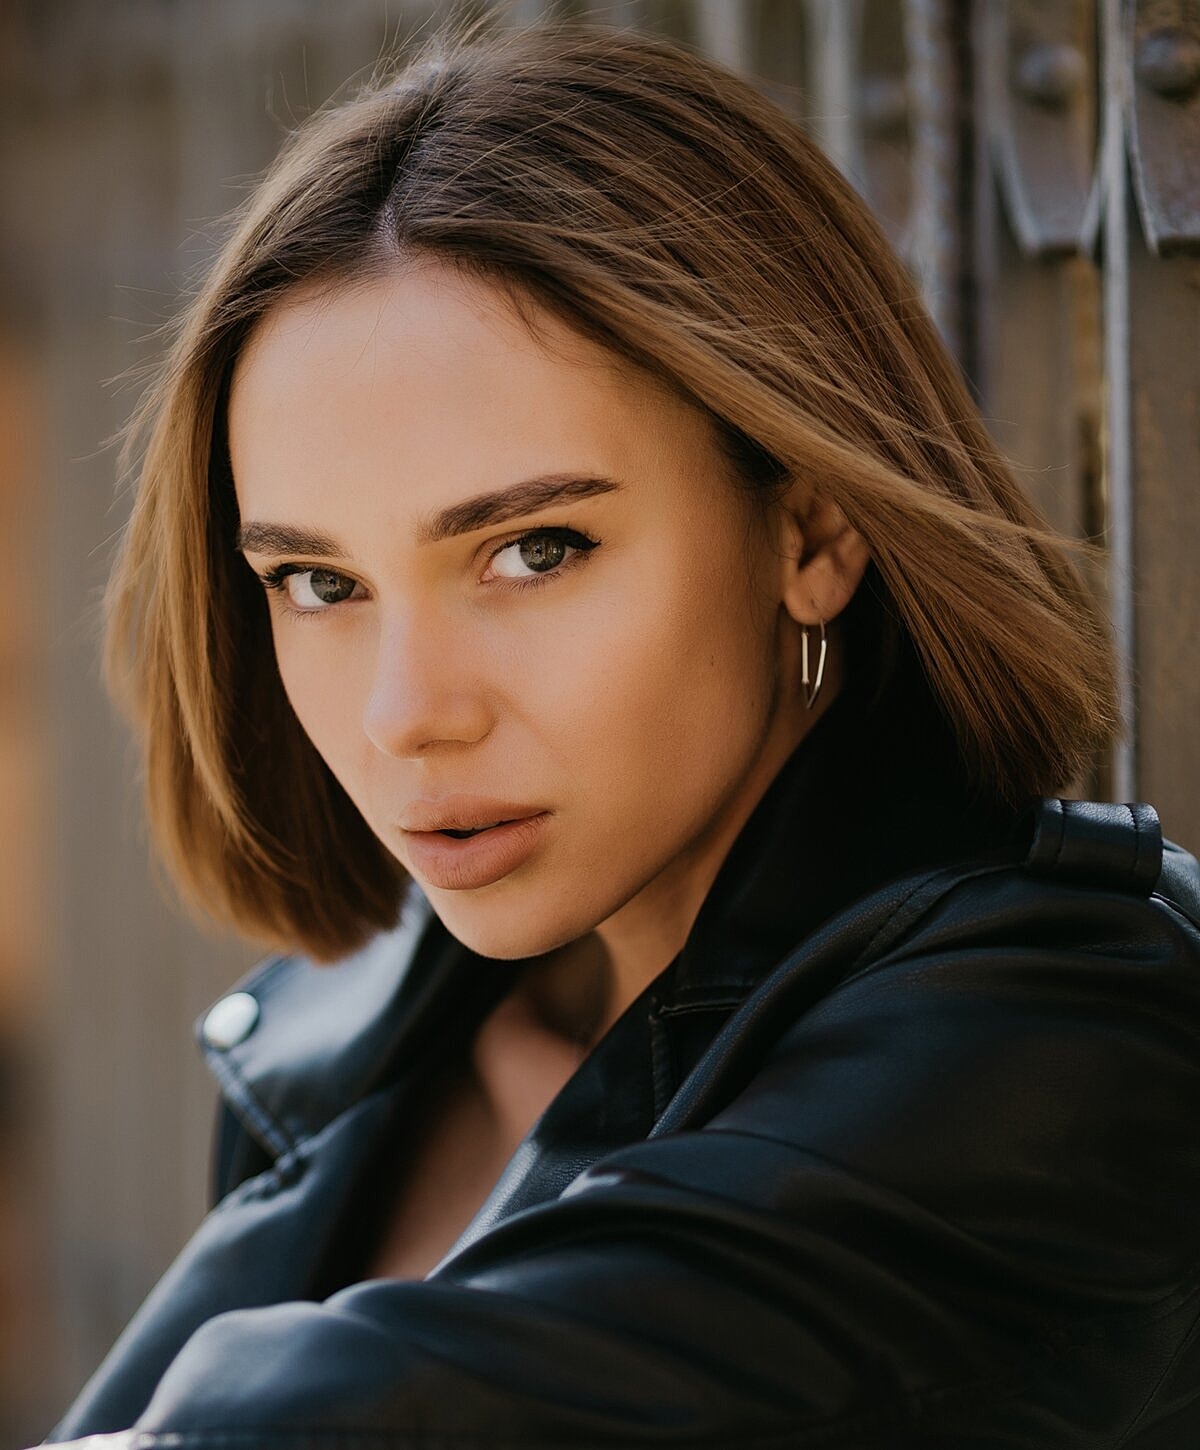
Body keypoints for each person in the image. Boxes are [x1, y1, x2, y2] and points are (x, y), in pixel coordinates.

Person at [41, 17, 1200, 1450]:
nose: (409, 712)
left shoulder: (1056, 1036)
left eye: (535, 551)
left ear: (811, 525)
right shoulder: (348, 1053)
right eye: (320, 583)